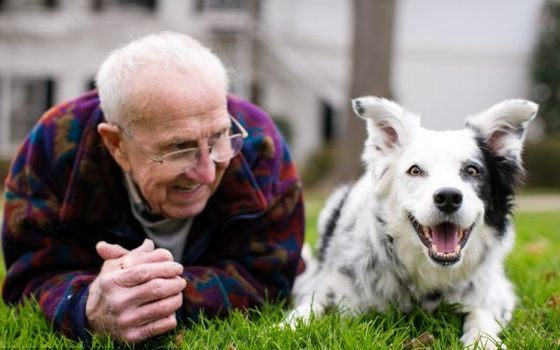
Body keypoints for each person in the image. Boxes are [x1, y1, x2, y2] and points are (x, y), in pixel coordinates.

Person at [1, 32, 304, 344]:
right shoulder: (54, 145)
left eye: (218, 137)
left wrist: (154, 292)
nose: (206, 171)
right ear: (116, 144)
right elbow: (29, 276)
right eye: (179, 148)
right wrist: (86, 303)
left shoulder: (258, 144)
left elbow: (270, 275)